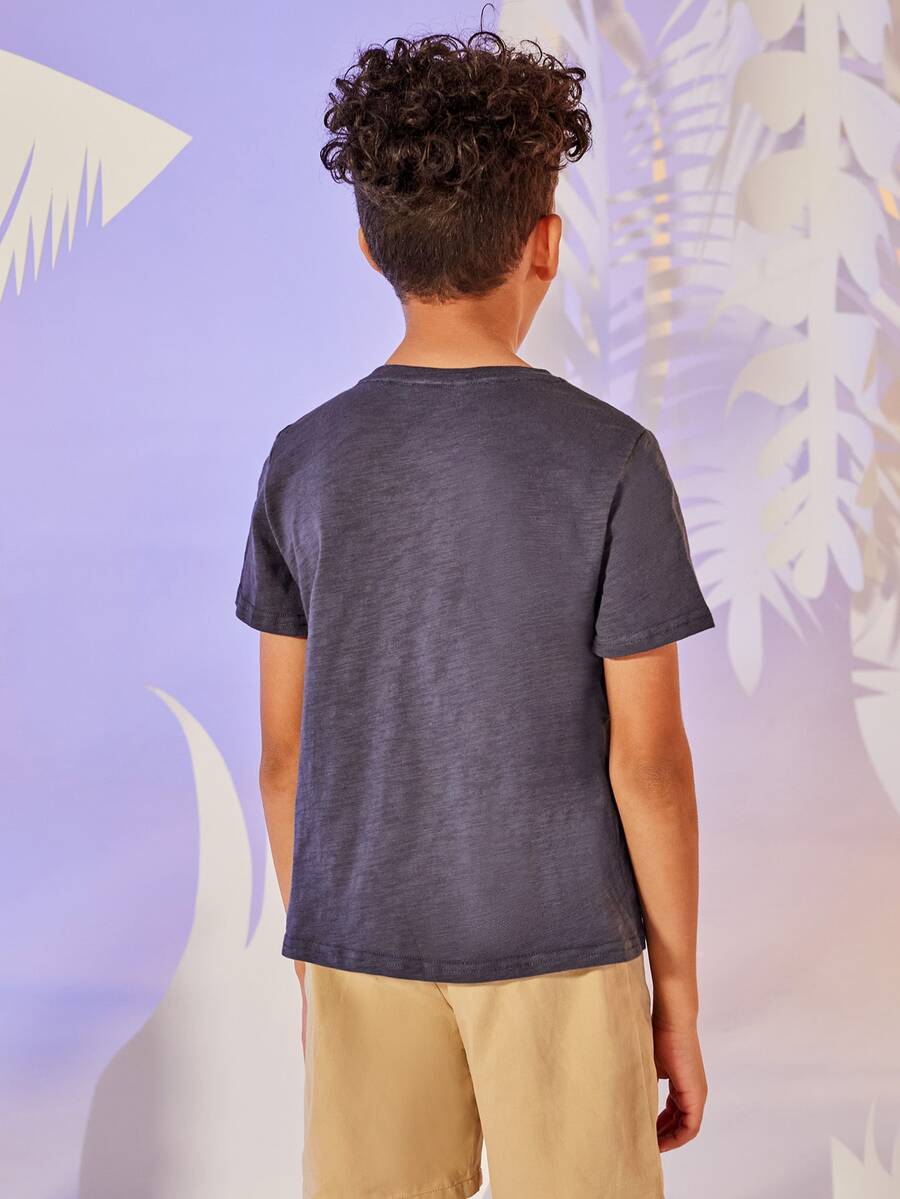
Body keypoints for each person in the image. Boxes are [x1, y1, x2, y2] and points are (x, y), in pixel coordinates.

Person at [235, 24, 715, 1199]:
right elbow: (648, 761)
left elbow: (284, 758)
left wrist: (318, 961)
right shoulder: (610, 459)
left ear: (368, 245)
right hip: (565, 950)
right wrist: (677, 993)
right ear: (545, 242)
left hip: (360, 941)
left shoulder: (304, 460)